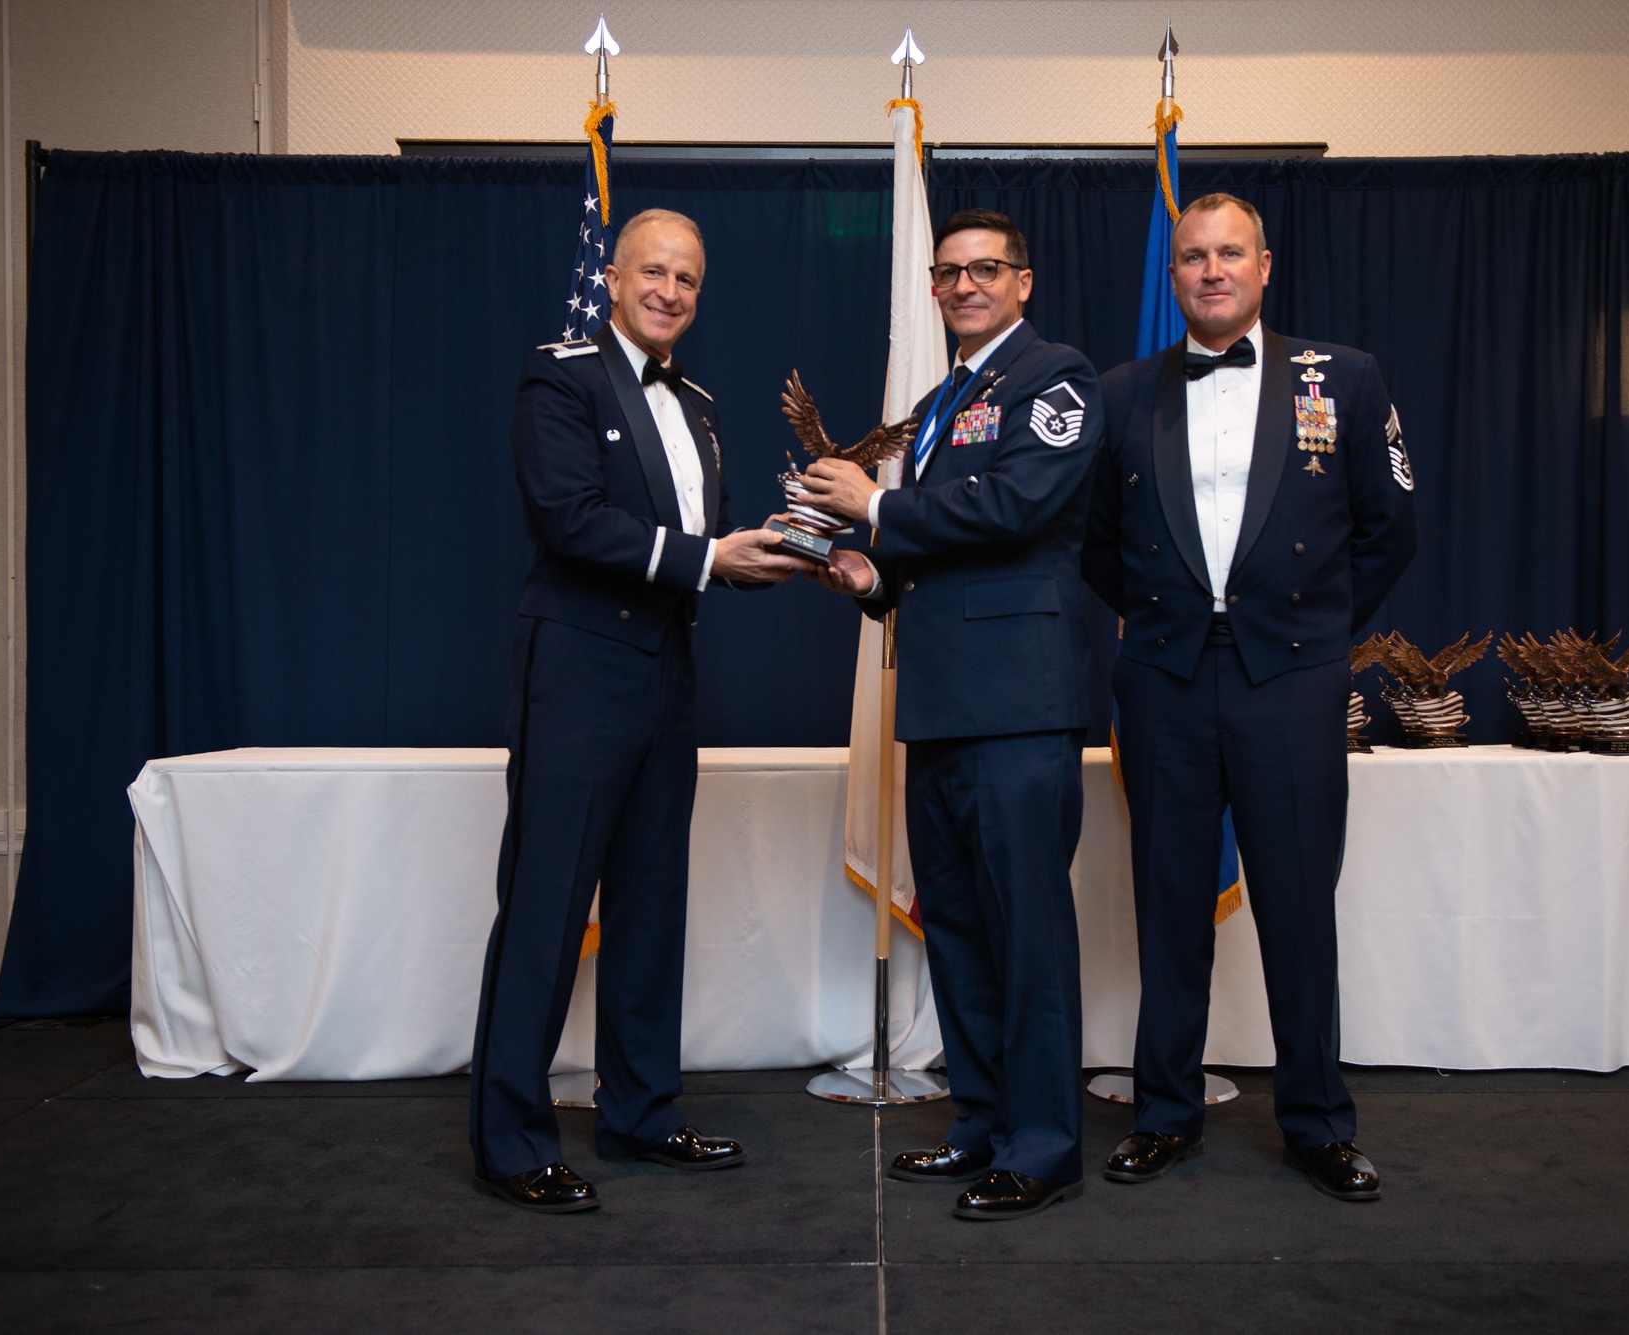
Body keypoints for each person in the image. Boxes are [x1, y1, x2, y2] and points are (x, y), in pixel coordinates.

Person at [469, 208, 813, 1212]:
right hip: (577, 670)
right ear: (613, 279)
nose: (669, 291)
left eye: (688, 280)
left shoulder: (698, 404)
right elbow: (571, 521)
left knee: (651, 906)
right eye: (653, 272)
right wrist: (711, 558)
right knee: (545, 908)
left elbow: (696, 549)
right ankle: (509, 1141)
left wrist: (793, 553)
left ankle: (638, 1114)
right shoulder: (561, 378)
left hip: (665, 673)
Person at [1082, 193, 1418, 1202]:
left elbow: (1388, 526)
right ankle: (1163, 1113)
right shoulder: (1119, 391)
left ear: (1263, 266)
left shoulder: (1343, 379)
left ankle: (1315, 1122)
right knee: (1168, 904)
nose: (1210, 270)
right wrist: (1162, 610)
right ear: (1173, 275)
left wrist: (1311, 624)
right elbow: (1094, 539)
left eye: (1229, 253)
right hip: (1164, 678)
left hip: (1291, 679)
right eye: (1191, 256)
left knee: (1296, 906)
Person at [800, 208, 1103, 1221]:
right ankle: (979, 1121)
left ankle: (1046, 1144)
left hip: (1018, 705)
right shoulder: (941, 402)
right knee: (962, 930)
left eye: (983, 270)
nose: (963, 285)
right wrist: (869, 576)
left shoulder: (1056, 377)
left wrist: (875, 508)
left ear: (1022, 281)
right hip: (936, 703)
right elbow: (934, 555)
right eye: (947, 273)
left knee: (1026, 933)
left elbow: (1018, 508)